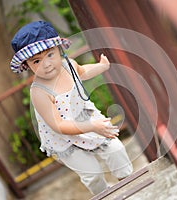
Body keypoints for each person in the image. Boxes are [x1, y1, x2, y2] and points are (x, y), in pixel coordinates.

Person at [10, 21, 133, 195]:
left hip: (85, 118)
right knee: (93, 174)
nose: (46, 64)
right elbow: (58, 126)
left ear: (59, 50)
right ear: (27, 66)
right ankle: (105, 194)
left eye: (50, 55)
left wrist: (101, 66)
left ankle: (128, 180)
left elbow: (82, 72)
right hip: (64, 139)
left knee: (115, 149)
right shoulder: (39, 92)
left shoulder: (69, 66)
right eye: (36, 61)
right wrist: (92, 127)